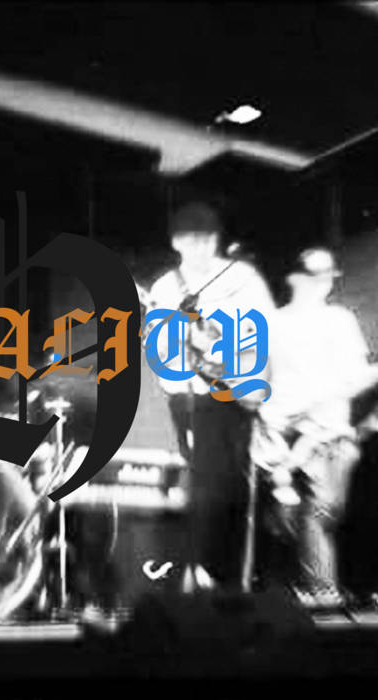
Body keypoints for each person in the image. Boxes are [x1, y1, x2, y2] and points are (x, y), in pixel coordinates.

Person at [144, 201, 276, 591]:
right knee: (204, 487)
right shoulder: (167, 288)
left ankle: (234, 579)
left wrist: (217, 349)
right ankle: (204, 576)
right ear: (176, 242)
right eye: (191, 239)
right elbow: (161, 354)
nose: (200, 247)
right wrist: (181, 345)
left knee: (237, 489)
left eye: (207, 239)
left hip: (239, 396)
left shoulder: (244, 278)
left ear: (217, 240)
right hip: (194, 400)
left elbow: (266, 336)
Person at [251, 247, 378, 606]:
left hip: (326, 435)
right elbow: (258, 380)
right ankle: (299, 602)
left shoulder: (339, 320)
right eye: (314, 274)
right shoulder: (272, 323)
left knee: (316, 517)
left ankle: (323, 598)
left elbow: (356, 376)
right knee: (283, 524)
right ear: (293, 277)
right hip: (280, 437)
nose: (324, 282)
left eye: (328, 275)